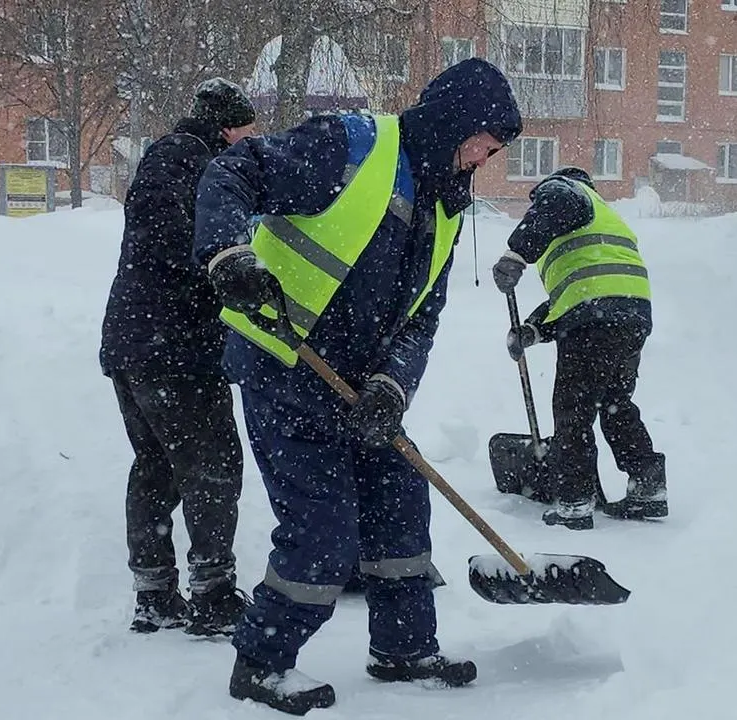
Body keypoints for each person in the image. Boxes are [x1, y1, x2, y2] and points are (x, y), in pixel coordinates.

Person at [193, 58, 521, 715]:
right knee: (322, 531)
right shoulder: (353, 144)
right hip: (285, 363)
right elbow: (233, 171)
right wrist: (230, 254)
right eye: (486, 139)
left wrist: (392, 389)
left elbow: (421, 317)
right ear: (455, 121)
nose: (488, 156)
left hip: (356, 385)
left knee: (400, 501)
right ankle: (260, 663)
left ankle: (404, 649)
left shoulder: (444, 208)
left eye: (497, 148)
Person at [99, 78, 258, 635]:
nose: (247, 142)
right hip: (174, 349)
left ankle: (154, 594)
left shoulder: (164, 159)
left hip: (133, 341)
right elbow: (182, 244)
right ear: (227, 127)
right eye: (244, 130)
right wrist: (229, 272)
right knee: (212, 466)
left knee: (156, 467)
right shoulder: (201, 165)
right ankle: (212, 595)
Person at [491, 166, 667, 530]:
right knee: (616, 403)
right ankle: (647, 486)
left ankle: (574, 499)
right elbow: (576, 294)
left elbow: (586, 299)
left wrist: (515, 254)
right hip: (631, 314)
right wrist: (533, 330)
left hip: (596, 319)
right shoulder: (602, 218)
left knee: (573, 408)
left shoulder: (563, 191)